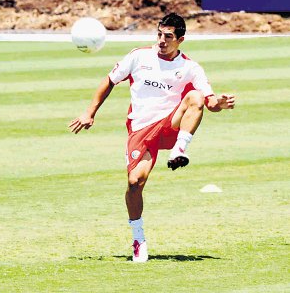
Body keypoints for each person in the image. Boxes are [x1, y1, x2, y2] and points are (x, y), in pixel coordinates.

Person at [69, 13, 235, 262]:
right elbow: (110, 80)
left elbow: (207, 101)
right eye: (159, 34)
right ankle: (138, 239)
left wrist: (219, 103)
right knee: (135, 183)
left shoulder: (190, 68)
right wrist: (89, 113)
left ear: (181, 39)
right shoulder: (139, 56)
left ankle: (180, 149)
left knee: (195, 98)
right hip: (141, 130)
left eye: (168, 37)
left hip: (170, 125)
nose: (161, 40)